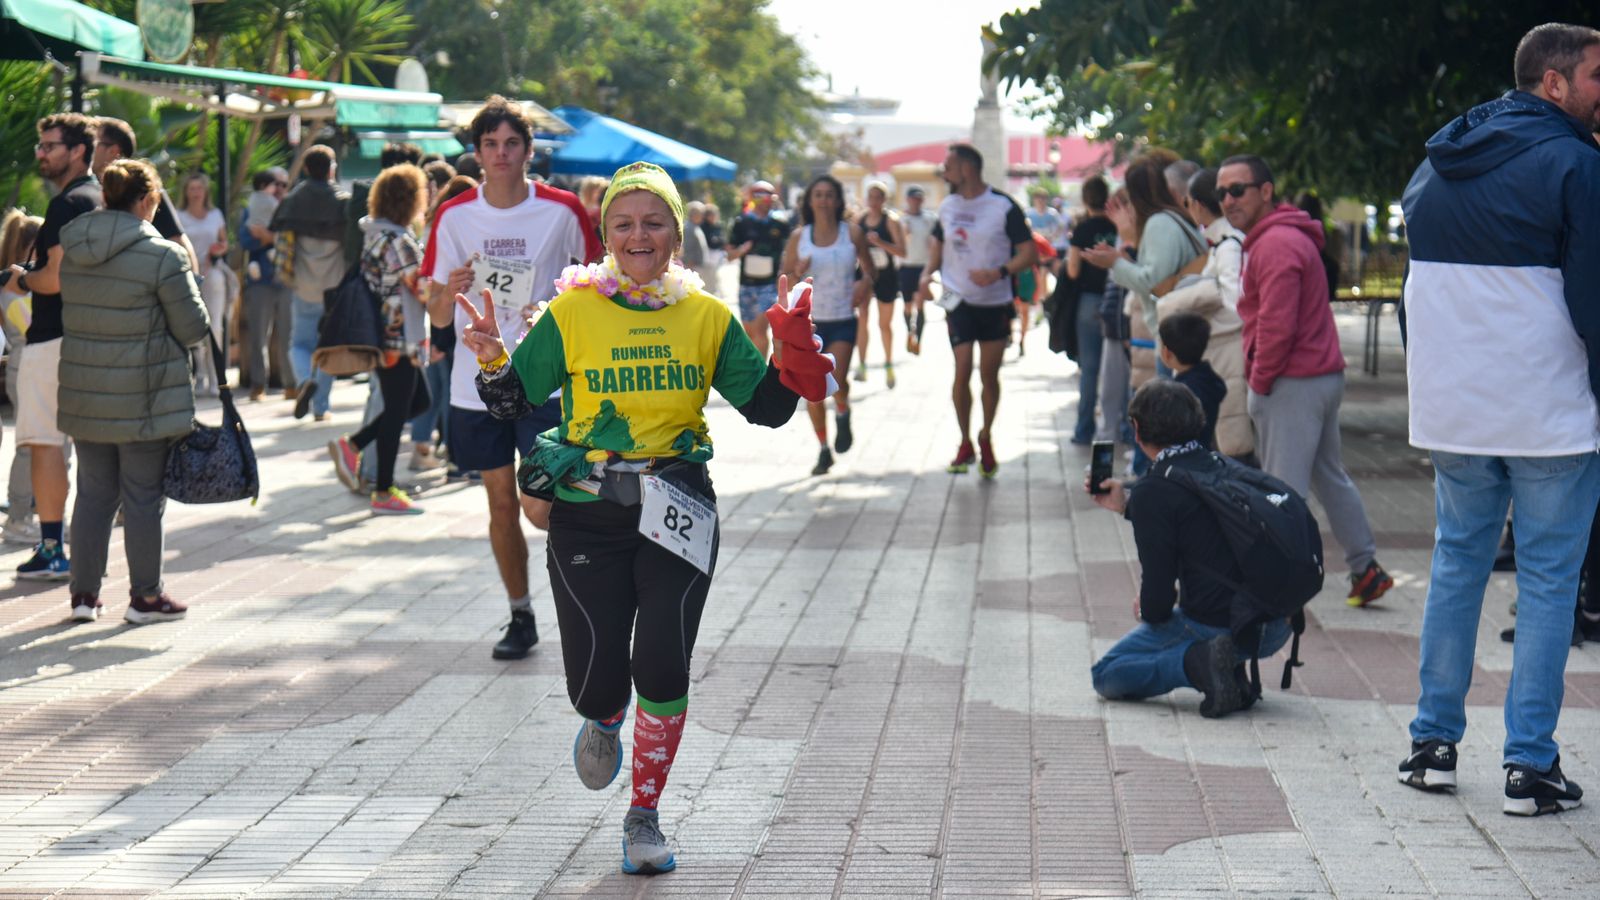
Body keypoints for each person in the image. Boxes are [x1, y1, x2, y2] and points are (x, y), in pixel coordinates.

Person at [462, 161, 814, 875]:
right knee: (596, 682)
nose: (638, 235)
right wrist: (494, 355)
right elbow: (511, 404)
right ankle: (605, 715)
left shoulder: (707, 317)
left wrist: (794, 346)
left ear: (677, 236)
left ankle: (644, 816)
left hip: (678, 506)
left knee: (661, 658)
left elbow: (771, 409)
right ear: (605, 236)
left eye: (654, 222)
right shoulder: (571, 313)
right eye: (623, 223)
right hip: (588, 515)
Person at [1395, 22, 1600, 815]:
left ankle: (1431, 747)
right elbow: (1592, 302)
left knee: (1456, 568)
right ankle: (1529, 766)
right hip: (1548, 409)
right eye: (1595, 75)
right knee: (1548, 583)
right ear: (1554, 83)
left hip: (1457, 411)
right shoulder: (1579, 165)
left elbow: (1423, 294)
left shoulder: (1435, 163)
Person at [420, 95, 601, 661]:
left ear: (527, 150)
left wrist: (557, 306)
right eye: (490, 145)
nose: (501, 154)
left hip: (543, 379)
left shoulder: (563, 210)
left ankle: (594, 589)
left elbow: (597, 286)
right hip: (476, 381)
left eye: (511, 144)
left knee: (541, 506)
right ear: (476, 153)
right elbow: (435, 313)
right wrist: (447, 288)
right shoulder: (454, 216)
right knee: (500, 502)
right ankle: (520, 615)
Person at [1217, 154, 1394, 607]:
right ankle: (1365, 568)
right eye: (1222, 192)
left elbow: (1277, 326)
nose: (1228, 200)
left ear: (1266, 191)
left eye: (1238, 189)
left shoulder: (1275, 245)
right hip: (1317, 377)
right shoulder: (1284, 237)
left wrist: (1259, 382)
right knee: (1329, 478)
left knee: (1281, 490)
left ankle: (1278, 589)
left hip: (1292, 381)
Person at [57, 159, 210, 624]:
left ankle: (83, 596)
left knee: (93, 495)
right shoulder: (163, 256)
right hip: (144, 397)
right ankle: (145, 597)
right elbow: (194, 328)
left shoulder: (74, 247)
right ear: (146, 201)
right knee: (143, 497)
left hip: (85, 391)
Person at [1088, 379, 1289, 718]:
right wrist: (1127, 505)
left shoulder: (1155, 490)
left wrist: (1149, 610)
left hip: (1220, 623)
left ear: (1136, 430)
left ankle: (1199, 664)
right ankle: (1226, 668)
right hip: (1274, 624)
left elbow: (1158, 602)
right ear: (1198, 421)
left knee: (1107, 674)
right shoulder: (1224, 466)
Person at [7, 113, 102, 581]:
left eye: (50, 146)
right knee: (93, 449)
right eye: (41, 146)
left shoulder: (66, 204)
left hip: (53, 339)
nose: (41, 153)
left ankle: (53, 549)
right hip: (95, 337)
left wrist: (23, 277)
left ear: (78, 150)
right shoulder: (102, 197)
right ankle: (90, 553)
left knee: (44, 444)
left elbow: (55, 278)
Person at [916, 143, 1037, 477]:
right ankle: (964, 440)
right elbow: (937, 249)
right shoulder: (949, 205)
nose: (944, 171)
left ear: (967, 168)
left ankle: (985, 435)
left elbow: (1028, 253)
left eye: (948, 166)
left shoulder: (1003, 206)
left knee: (988, 374)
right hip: (958, 301)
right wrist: (927, 276)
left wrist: (998, 272)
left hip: (995, 302)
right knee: (962, 368)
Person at [329, 163, 430, 515]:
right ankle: (384, 489)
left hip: (389, 333)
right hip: (396, 336)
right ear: (409, 200)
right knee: (401, 408)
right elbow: (421, 288)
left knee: (415, 402)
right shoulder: (396, 240)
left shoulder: (376, 233)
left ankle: (354, 445)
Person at [781, 174, 876, 475]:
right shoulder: (800, 237)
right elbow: (784, 282)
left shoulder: (853, 234)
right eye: (817, 194)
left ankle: (843, 410)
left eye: (829, 195)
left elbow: (872, 273)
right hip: (809, 324)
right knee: (812, 390)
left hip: (843, 319)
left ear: (837, 200)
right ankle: (823, 449)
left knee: (836, 379)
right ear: (810, 201)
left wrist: (864, 286)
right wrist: (797, 271)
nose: (823, 200)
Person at [1160, 167, 1253, 462]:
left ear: (1198, 205)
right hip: (1220, 353)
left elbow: (1233, 302)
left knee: (1234, 449)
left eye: (1188, 202)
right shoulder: (1223, 242)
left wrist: (1182, 300)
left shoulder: (1228, 245)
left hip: (1227, 353)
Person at [272, 144, 349, 421]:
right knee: (327, 348)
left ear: (305, 168)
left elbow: (280, 243)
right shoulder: (344, 202)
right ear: (331, 169)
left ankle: (304, 379)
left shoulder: (292, 200)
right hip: (334, 288)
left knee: (299, 343)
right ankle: (321, 407)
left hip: (303, 285)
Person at [1064, 175, 1117, 445]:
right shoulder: (1117, 228)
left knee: (1090, 368)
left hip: (1088, 301)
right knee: (1118, 368)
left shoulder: (1083, 230)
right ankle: (1120, 429)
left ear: (1086, 199)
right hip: (1115, 299)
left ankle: (1084, 429)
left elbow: (1073, 270)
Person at [0, 212, 41, 545]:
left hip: (32, 368)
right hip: (26, 368)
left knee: (41, 447)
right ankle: (18, 517)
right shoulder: (11, 285)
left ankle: (28, 513)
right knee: (29, 447)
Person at [175, 172, 231, 397]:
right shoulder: (179, 216)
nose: (196, 192)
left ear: (205, 191)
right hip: (187, 276)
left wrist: (219, 249)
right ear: (186, 191)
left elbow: (224, 241)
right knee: (194, 326)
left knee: (215, 326)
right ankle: (200, 376)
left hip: (213, 273)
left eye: (199, 188)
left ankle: (217, 377)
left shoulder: (216, 215)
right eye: (192, 188)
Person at [239, 168, 293, 401]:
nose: (279, 188)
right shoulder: (251, 207)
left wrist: (270, 237)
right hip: (259, 280)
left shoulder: (292, 209)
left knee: (288, 335)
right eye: (275, 184)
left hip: (286, 278)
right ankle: (258, 384)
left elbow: (295, 241)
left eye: (283, 184)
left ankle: (291, 385)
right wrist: (273, 239)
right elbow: (246, 239)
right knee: (258, 335)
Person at [725, 180, 791, 356]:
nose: (765, 200)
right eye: (760, 196)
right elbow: (729, 255)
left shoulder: (780, 224)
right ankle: (756, 369)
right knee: (750, 333)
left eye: (769, 196)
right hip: (746, 285)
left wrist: (786, 270)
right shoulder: (742, 223)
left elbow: (792, 249)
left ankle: (762, 374)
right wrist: (742, 250)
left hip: (768, 285)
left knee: (760, 330)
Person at [851, 181, 905, 387]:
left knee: (884, 324)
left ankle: (888, 364)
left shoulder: (891, 221)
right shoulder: (860, 219)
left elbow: (902, 251)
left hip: (887, 276)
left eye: (878, 197)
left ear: (884, 200)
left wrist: (880, 243)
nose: (873, 201)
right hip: (865, 275)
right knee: (862, 319)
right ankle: (862, 365)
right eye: (870, 197)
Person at [1158, 313, 1224, 451]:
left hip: (1183, 464)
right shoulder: (1208, 380)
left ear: (1167, 353)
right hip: (1204, 455)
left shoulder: (1179, 394)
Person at [897, 186, 935, 354]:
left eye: (919, 198)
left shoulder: (930, 219)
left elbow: (935, 242)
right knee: (907, 306)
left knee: (920, 303)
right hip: (905, 266)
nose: (916, 201)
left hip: (923, 267)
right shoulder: (900, 220)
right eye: (913, 198)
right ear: (908, 199)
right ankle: (909, 332)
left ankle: (918, 339)